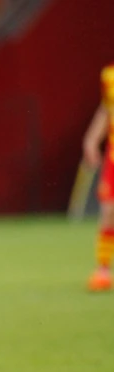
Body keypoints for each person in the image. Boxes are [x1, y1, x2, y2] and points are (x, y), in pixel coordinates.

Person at [84, 62, 114, 292]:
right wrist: (92, 140)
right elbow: (106, 109)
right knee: (108, 211)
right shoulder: (109, 76)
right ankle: (103, 269)